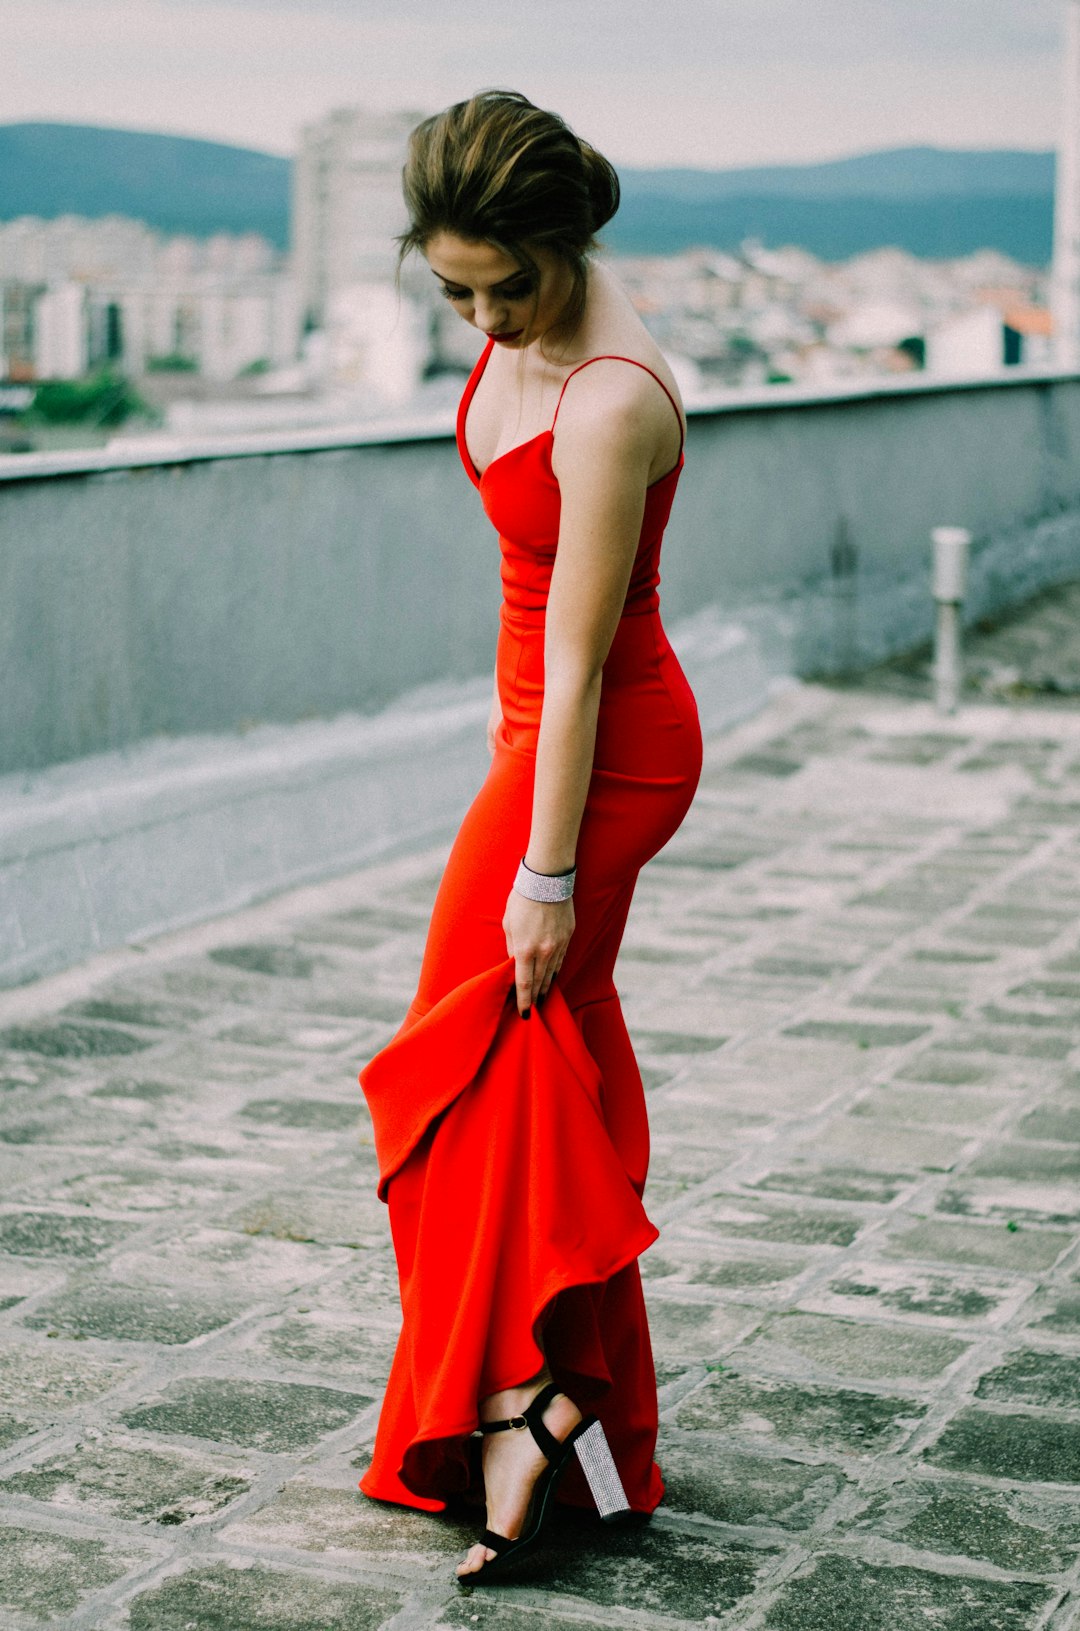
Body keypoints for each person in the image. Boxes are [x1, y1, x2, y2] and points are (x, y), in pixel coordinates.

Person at [357, 88, 703, 1584]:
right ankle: (561, 1406)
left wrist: (545, 875)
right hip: (536, 741)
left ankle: (522, 1401)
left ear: (571, 239)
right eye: (456, 293)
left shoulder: (614, 394)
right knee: (522, 1059)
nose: (485, 318)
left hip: (603, 751)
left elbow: (577, 666)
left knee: (463, 1047)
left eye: (512, 284)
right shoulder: (528, 345)